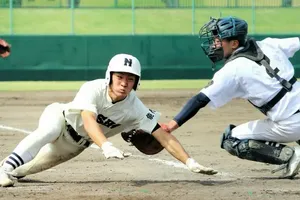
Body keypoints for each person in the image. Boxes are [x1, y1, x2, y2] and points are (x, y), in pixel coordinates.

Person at [0, 53, 217, 187]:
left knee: (22, 172)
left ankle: (8, 170)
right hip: (61, 118)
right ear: (110, 75)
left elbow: (163, 136)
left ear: (136, 82)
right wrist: (105, 145)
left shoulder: (136, 108)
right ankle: (4, 168)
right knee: (47, 131)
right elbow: (87, 119)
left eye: (130, 79)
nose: (124, 83)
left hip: (76, 145)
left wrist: (189, 162)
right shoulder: (93, 88)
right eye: (120, 77)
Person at [161, 16, 300, 179]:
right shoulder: (269, 44)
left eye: (218, 40)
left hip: (291, 124)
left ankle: (290, 155)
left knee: (230, 139)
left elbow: (200, 100)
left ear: (234, 43)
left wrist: (171, 125)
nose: (214, 45)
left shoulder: (232, 70)